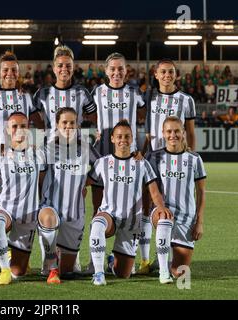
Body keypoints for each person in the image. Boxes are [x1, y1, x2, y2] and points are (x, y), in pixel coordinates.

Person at [0, 51, 43, 276]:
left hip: (21, 158)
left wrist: (35, 144)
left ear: (19, 73)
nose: (10, 73)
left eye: (14, 70)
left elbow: (37, 122)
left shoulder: (26, 97)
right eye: (6, 70)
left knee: (19, 203)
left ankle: (15, 252)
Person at [33, 45, 96, 274]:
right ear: (53, 67)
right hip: (52, 154)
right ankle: (47, 259)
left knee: (72, 201)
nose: (64, 69)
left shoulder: (82, 93)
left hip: (75, 153)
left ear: (73, 67)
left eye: (68, 65)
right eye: (60, 65)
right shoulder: (42, 93)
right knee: (51, 199)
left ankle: (73, 256)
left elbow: (93, 115)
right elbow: (36, 121)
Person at [87, 120, 170, 285]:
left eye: (126, 136)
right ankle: (98, 273)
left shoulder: (141, 163)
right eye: (119, 136)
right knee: (97, 224)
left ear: (132, 139)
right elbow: (86, 182)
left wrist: (161, 207)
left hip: (131, 223)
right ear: (112, 139)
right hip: (109, 215)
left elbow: (154, 191)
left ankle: (112, 263)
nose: (122, 140)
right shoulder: (102, 163)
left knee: (123, 274)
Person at [88, 52, 146, 273]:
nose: (116, 72)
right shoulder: (97, 93)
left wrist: (141, 145)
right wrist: (98, 132)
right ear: (106, 71)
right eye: (112, 68)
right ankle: (95, 261)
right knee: (98, 209)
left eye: (120, 68)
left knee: (131, 207)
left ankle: (130, 256)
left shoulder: (134, 93)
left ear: (126, 70)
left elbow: (145, 113)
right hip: (103, 157)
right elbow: (90, 114)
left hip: (128, 157)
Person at [139, 58, 196, 274]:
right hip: (154, 160)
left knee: (172, 205)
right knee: (147, 206)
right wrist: (143, 153)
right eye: (163, 72)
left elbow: (190, 131)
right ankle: (145, 260)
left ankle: (165, 256)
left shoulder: (185, 100)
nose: (167, 76)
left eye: (170, 72)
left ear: (176, 75)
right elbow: (148, 131)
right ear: (155, 74)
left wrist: (191, 154)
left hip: (177, 160)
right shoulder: (149, 97)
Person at [39, 108, 100, 284]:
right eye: (64, 123)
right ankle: (51, 266)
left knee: (68, 272)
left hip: (75, 214)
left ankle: (58, 264)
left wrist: (83, 183)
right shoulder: (48, 149)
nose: (68, 126)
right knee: (48, 218)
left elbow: (103, 168)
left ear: (77, 125)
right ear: (57, 125)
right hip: (51, 209)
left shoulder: (85, 148)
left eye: (72, 123)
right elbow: (39, 177)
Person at [0, 112, 47, 285]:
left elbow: (43, 184)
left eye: (23, 126)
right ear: (7, 130)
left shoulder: (38, 155)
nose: (19, 130)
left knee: (19, 272)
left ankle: (12, 256)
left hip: (28, 215)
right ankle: (4, 270)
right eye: (15, 126)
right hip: (5, 209)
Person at [146, 116, 206, 282]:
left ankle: (163, 258)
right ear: (163, 134)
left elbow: (201, 192)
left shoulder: (194, 159)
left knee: (181, 273)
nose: (173, 135)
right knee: (165, 219)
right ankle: (163, 272)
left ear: (184, 133)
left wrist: (199, 222)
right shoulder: (154, 157)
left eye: (177, 131)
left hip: (186, 219)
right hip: (161, 213)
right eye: (169, 131)